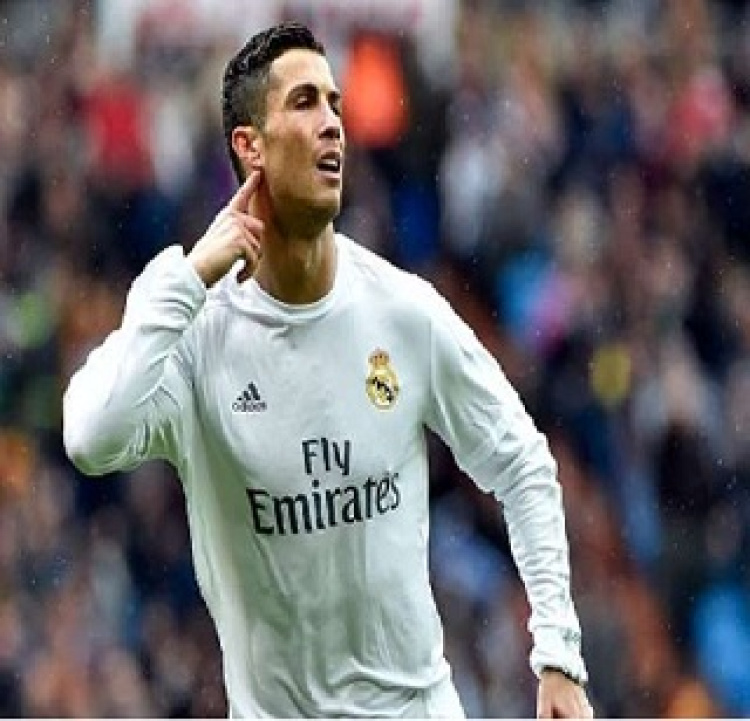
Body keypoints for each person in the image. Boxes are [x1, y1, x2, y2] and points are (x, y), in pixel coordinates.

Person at [63, 21, 593, 718]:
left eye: (336, 105)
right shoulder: (194, 332)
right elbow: (91, 435)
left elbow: (523, 463)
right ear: (248, 146)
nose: (333, 125)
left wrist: (557, 652)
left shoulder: (403, 311)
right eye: (306, 103)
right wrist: (189, 277)